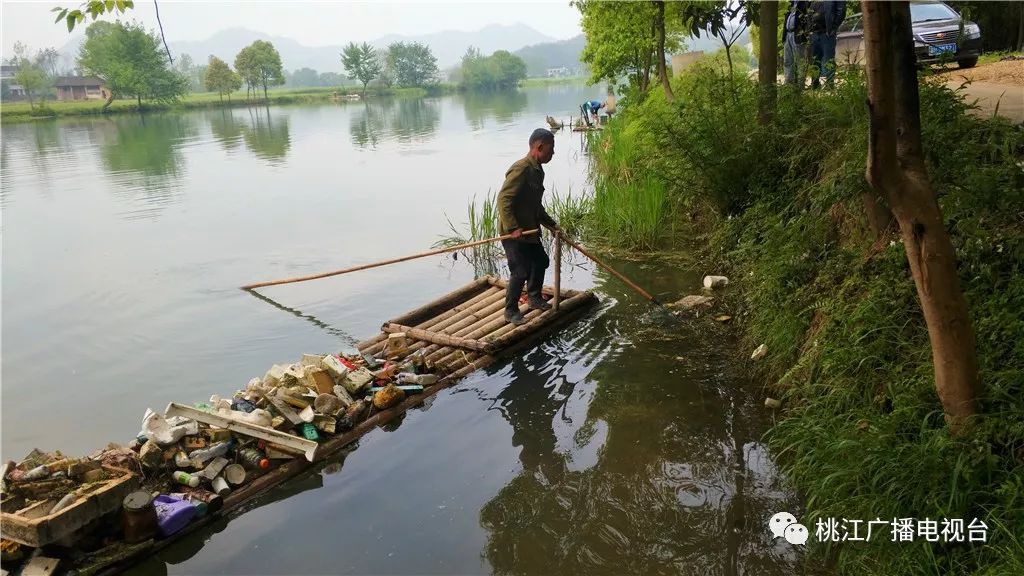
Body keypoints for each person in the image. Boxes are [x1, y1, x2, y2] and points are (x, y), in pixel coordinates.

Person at [497, 128, 560, 326]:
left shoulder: (537, 171)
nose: (553, 153)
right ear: (539, 147)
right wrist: (512, 228)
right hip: (514, 233)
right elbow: (504, 199)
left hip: (529, 230)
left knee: (541, 260)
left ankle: (534, 297)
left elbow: (535, 206)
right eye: (551, 149)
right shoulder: (521, 168)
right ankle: (511, 311)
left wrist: (552, 225)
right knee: (520, 271)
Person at [808, 0, 846, 89]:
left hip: (827, 34)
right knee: (814, 60)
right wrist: (809, 30)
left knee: (828, 59)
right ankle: (815, 84)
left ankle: (829, 84)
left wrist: (833, 27)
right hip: (814, 34)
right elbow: (809, 13)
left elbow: (841, 11)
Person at [782, 1, 810, 86]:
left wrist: (805, 33)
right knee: (787, 60)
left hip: (798, 35)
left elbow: (807, 19)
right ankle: (788, 83)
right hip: (788, 34)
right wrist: (784, 37)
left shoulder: (805, 3)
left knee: (800, 61)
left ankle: (800, 84)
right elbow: (786, 20)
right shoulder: (790, 4)